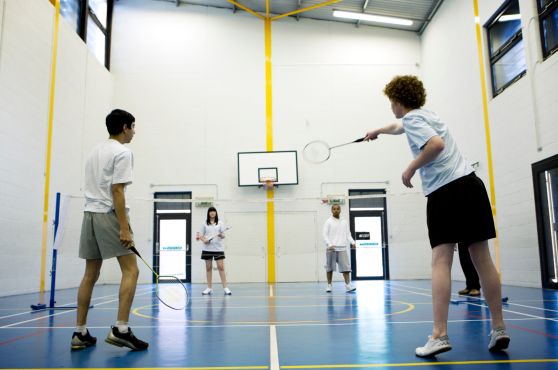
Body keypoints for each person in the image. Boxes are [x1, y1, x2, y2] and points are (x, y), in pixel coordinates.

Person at [364, 75, 509, 356]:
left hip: (445, 191)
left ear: (398, 101)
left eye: (391, 103)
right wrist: (378, 131)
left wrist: (410, 168)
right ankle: (499, 328)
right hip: (471, 184)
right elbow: (399, 125)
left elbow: (435, 145)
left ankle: (439, 335)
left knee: (441, 261)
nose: (391, 108)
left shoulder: (413, 120)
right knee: (483, 258)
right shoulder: (426, 115)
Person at [71, 109, 148, 351]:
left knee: (90, 275)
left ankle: (80, 333)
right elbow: (117, 191)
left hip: (89, 215)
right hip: (109, 215)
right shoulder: (123, 152)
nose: (135, 132)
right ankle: (121, 329)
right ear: (125, 127)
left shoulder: (95, 151)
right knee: (131, 271)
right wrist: (124, 228)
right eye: (133, 127)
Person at [323, 204, 356, 292]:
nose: (336, 210)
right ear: (331, 210)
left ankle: (348, 285)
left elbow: (348, 234)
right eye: (334, 209)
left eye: (338, 209)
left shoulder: (344, 222)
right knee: (329, 268)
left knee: (346, 268)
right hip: (331, 249)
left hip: (342, 249)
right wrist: (329, 244)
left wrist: (353, 242)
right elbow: (324, 235)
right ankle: (329, 285)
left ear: (340, 210)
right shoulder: (328, 222)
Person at [199, 207, 231, 295]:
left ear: (216, 213)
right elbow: (201, 236)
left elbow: (224, 236)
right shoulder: (204, 224)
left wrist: (221, 235)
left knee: (221, 267)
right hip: (207, 249)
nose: (212, 213)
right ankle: (209, 288)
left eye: (214, 211)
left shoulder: (220, 223)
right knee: (208, 268)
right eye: (211, 211)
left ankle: (225, 288)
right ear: (208, 213)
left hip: (218, 249)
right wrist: (204, 240)